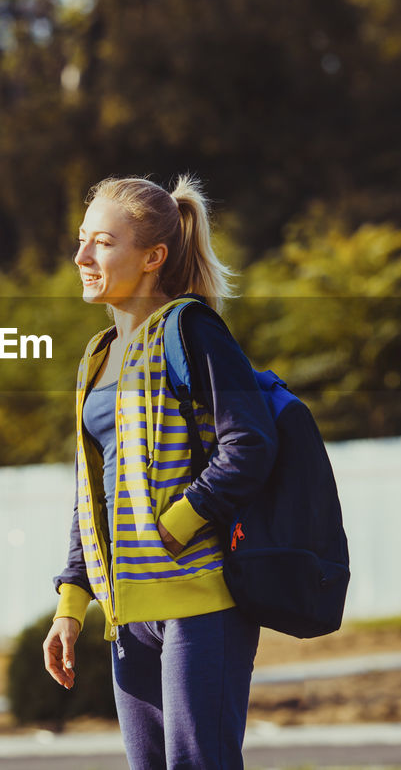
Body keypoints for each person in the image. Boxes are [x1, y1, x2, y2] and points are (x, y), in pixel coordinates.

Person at [44, 175, 279, 769]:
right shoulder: (96, 359)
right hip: (129, 618)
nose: (81, 257)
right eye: (81, 241)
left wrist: (175, 522)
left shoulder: (192, 331)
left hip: (199, 604)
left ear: (153, 258)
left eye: (102, 242)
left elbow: (249, 442)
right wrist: (71, 603)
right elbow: (90, 495)